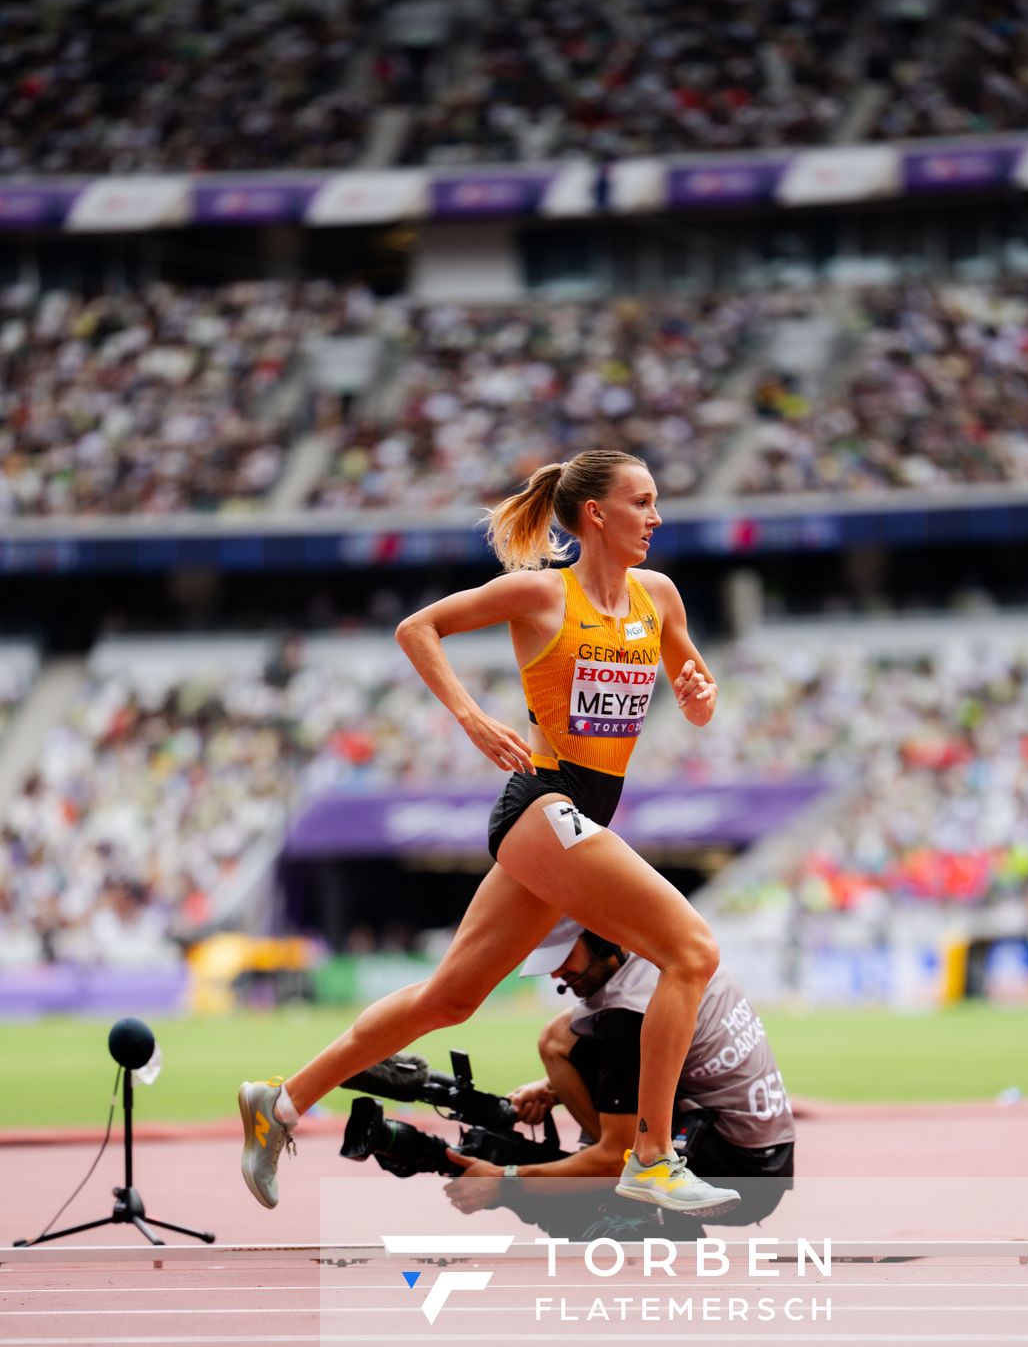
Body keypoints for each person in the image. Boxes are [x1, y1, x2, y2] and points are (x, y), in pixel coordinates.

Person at [238, 449, 740, 1218]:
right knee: (692, 950)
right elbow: (418, 629)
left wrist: (701, 701)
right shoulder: (541, 594)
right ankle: (651, 1157)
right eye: (643, 501)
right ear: (597, 515)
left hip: (581, 815)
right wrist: (472, 718)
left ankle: (280, 1101)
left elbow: (696, 697)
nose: (657, 516)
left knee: (448, 998)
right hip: (542, 802)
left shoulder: (659, 596)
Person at [443, 919, 795, 1227]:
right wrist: (553, 1088)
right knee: (561, 1035)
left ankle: (635, 1201)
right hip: (766, 1160)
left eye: (563, 956)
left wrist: (506, 1179)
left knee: (604, 1160)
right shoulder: (669, 954)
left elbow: (616, 1160)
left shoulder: (629, 1013)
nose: (554, 973)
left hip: (739, 1180)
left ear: (602, 937)